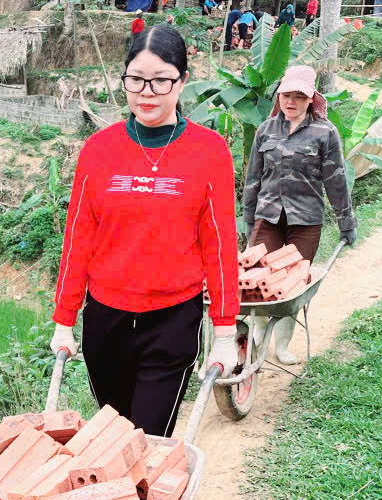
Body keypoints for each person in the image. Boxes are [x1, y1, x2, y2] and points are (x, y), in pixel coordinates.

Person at [50, 24, 240, 439]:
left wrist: (225, 330)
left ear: (182, 81)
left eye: (161, 80)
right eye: (135, 79)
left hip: (172, 321)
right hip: (105, 322)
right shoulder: (98, 150)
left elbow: (220, 244)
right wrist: (64, 320)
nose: (147, 92)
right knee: (113, 438)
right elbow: (78, 238)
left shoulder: (210, 151)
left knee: (148, 441)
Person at [241, 65, 356, 365]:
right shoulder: (266, 130)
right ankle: (257, 338)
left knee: (293, 284)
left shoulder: (325, 132)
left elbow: (336, 180)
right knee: (257, 280)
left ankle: (282, 345)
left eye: (299, 97)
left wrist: (346, 222)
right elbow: (253, 178)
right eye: (286, 95)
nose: (291, 102)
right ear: (278, 96)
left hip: (305, 221)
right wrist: (249, 219)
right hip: (268, 217)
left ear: (310, 99)